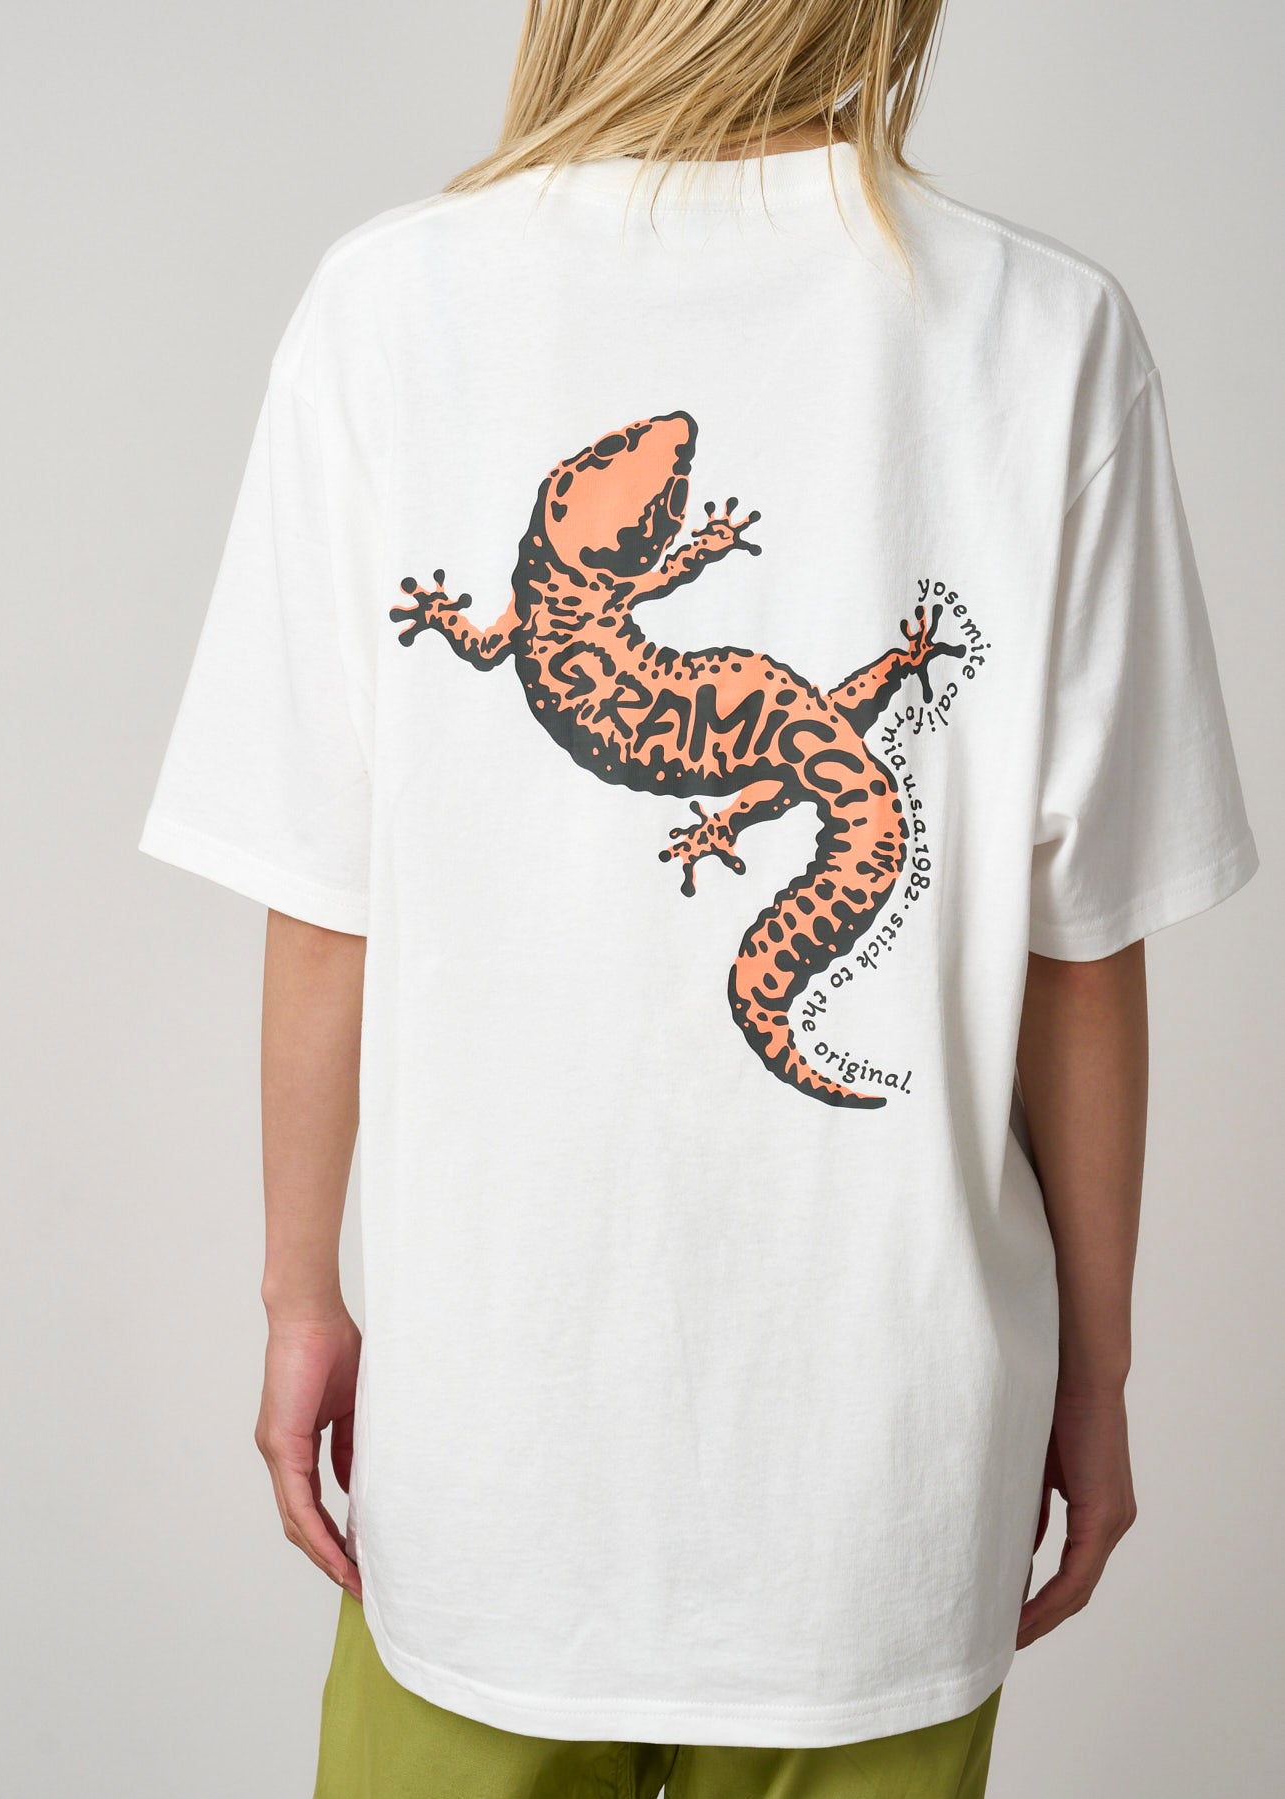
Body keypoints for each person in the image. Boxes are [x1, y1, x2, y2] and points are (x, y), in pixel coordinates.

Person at [141, 2, 1257, 1792]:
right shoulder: (1046, 333)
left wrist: (299, 1302)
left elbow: (327, 909)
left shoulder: (390, 304)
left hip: (492, 1450)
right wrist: (1093, 1375)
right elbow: (1079, 960)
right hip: (885, 1475)